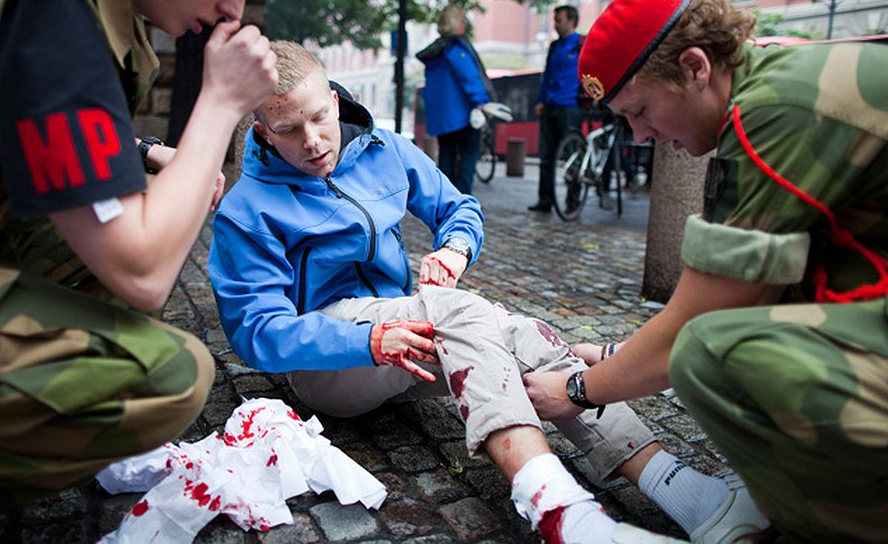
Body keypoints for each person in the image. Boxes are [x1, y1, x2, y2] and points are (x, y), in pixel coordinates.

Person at [209, 40, 771, 543]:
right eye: (288, 130)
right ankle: (563, 514)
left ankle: (684, 491)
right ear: (262, 130)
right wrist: (370, 341)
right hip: (329, 367)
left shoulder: (387, 148)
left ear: (334, 99)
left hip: (408, 338)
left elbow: (460, 209)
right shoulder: (245, 208)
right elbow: (256, 332)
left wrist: (454, 248)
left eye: (318, 118)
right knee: (459, 311)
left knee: (522, 338)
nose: (311, 142)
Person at [0, 0, 296, 518]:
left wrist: (151, 154)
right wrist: (221, 103)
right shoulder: (48, 4)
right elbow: (143, 271)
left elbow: (43, 115)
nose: (235, 7)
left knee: (138, 214)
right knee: (169, 376)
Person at [523, 0, 888, 542]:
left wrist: (576, 390)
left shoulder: (768, 114)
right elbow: (761, 285)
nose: (639, 135)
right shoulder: (770, 82)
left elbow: (698, 324)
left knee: (710, 354)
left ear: (694, 67)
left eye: (640, 109)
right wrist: (618, 355)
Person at [416, 6, 493, 195]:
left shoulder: (436, 52)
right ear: (456, 23)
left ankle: (446, 203)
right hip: (462, 115)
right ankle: (462, 206)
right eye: (463, 20)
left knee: (447, 160)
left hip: (442, 118)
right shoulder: (456, 49)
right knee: (467, 157)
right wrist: (481, 102)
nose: (465, 24)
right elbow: (470, 78)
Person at [528, 5, 587, 214]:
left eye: (559, 20)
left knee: (573, 156)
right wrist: (541, 100)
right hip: (550, 106)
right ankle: (545, 200)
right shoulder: (555, 46)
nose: (555, 24)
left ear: (571, 20)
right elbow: (547, 75)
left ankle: (573, 200)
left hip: (571, 107)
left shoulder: (581, 45)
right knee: (546, 156)